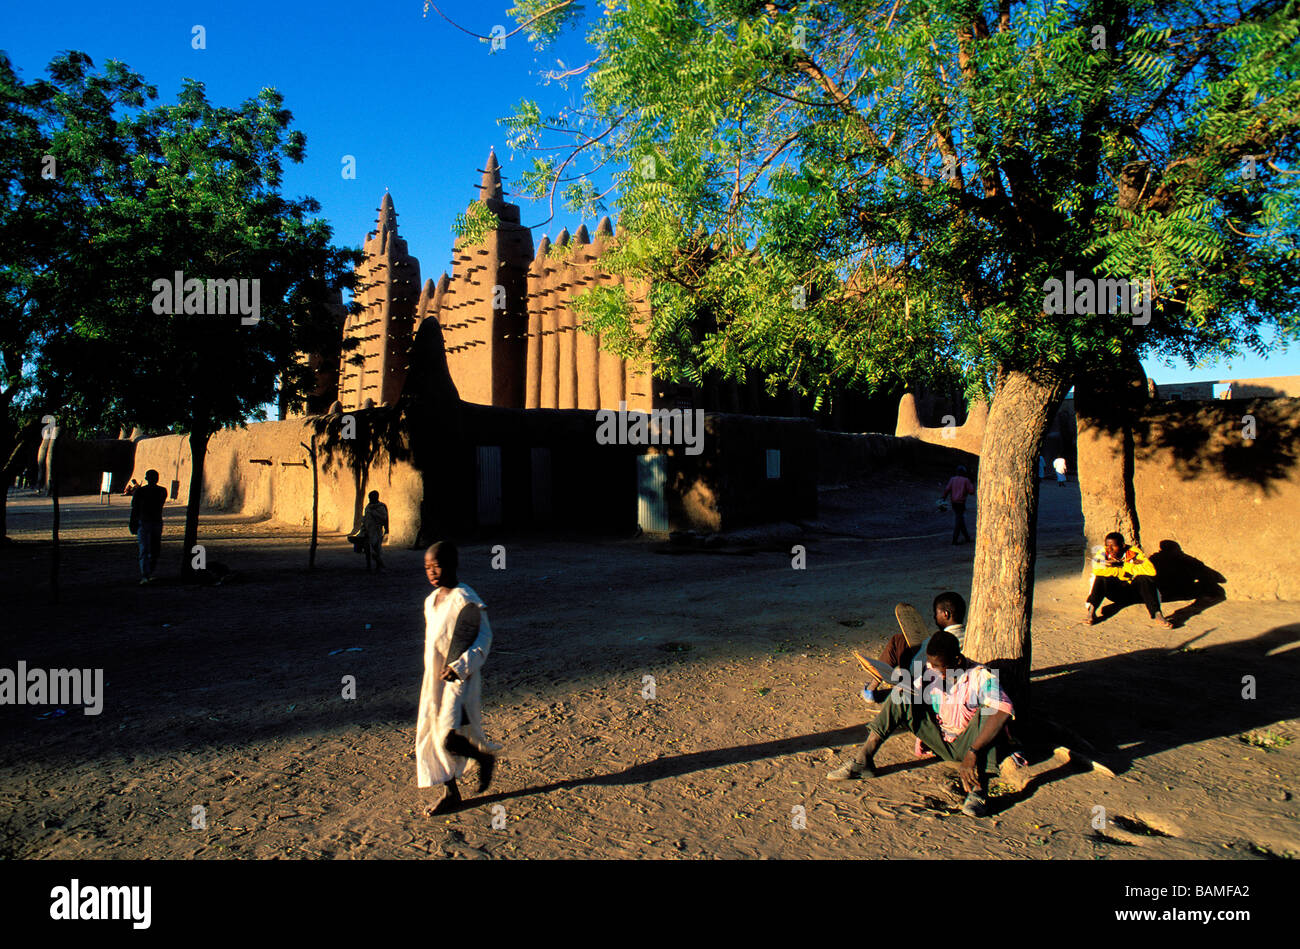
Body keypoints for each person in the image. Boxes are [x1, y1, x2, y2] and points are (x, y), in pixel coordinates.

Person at [829, 631, 1023, 817]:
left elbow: (1002, 710)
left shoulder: (980, 676)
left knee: (992, 711)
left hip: (971, 746)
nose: (935, 671)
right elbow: (915, 694)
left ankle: (979, 789)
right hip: (942, 739)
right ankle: (864, 759)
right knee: (901, 695)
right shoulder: (933, 672)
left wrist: (973, 752)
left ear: (957, 660)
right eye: (932, 665)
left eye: (940, 667)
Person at [415, 540, 501, 815]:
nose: (431, 572)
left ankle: (482, 759)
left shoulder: (466, 598)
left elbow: (483, 638)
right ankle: (451, 792)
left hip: (459, 679)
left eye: (436, 565)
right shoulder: (431, 601)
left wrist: (460, 667)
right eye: (427, 567)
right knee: (432, 731)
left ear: (452, 565)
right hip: (434, 679)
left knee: (446, 735)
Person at [1086, 532, 1173, 628]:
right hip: (1115, 593)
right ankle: (1091, 612)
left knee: (1144, 578)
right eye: (1107, 546)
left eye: (1113, 546)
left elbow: (1151, 571)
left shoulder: (1134, 552)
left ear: (1122, 545)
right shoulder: (1103, 553)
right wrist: (1122, 572)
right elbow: (1097, 570)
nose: (1109, 549)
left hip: (1135, 593)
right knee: (1100, 578)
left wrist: (1123, 565)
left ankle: (1157, 614)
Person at [128, 470, 167, 584]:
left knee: (147, 549)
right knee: (151, 549)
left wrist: (133, 523)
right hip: (152, 522)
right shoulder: (162, 491)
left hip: (147, 522)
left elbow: (134, 509)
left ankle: (147, 574)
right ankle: (147, 573)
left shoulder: (141, 492)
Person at [941, 465, 976, 544]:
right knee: (959, 520)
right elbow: (971, 492)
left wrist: (943, 498)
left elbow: (947, 489)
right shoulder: (966, 480)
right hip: (961, 503)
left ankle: (967, 538)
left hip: (954, 503)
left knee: (960, 520)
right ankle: (955, 540)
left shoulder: (952, 479)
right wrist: (972, 483)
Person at [361, 490, 389, 571]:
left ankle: (380, 565)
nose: (370, 499)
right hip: (367, 530)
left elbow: (384, 518)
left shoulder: (381, 507)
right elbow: (366, 517)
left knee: (375, 549)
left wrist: (373, 513)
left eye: (371, 497)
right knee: (367, 549)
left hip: (376, 531)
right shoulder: (368, 506)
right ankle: (369, 566)